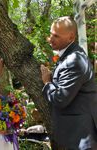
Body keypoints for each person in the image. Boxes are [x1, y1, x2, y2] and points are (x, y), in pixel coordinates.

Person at [40, 16, 97, 150]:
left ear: (71, 37)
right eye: (50, 34)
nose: (51, 39)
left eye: (56, 36)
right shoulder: (71, 55)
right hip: (74, 133)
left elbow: (60, 98)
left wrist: (47, 82)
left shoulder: (74, 60)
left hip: (80, 136)